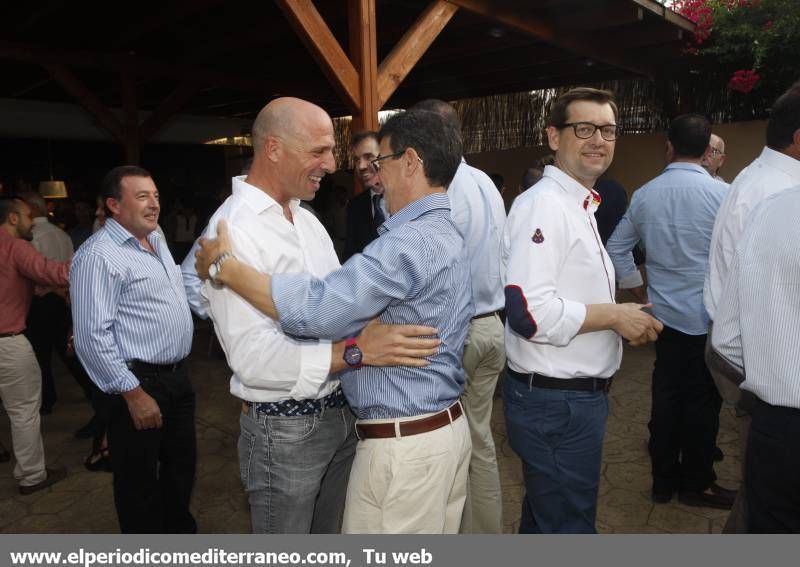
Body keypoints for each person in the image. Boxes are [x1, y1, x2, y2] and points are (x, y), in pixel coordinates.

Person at [196, 108, 473, 534]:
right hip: (291, 429)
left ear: (412, 162)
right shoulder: (233, 228)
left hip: (390, 440)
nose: (335, 165)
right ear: (273, 148)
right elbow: (254, 357)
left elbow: (324, 309)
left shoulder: (373, 234)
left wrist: (229, 270)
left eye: (379, 162)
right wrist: (357, 352)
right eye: (320, 150)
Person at [502, 87, 662, 534]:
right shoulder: (545, 206)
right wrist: (614, 316)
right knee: (569, 530)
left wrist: (627, 315)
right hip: (556, 404)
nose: (599, 140)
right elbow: (528, 313)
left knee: (545, 521)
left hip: (567, 400)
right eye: (584, 129)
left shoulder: (580, 203)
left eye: (608, 130)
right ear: (554, 137)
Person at [606, 114, 733, 509]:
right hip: (708, 319)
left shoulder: (645, 194)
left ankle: (663, 483)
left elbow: (616, 249)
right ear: (708, 152)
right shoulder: (723, 196)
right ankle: (697, 484)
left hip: (662, 319)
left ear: (669, 145)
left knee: (665, 396)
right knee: (703, 402)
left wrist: (638, 291)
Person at [71, 166, 197, 533]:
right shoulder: (99, 256)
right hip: (138, 383)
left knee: (180, 471)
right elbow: (93, 336)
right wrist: (133, 393)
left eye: (155, 195)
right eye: (142, 196)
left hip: (177, 378)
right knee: (138, 485)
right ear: (113, 205)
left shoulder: (155, 237)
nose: (154, 204)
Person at [704, 82, 800, 532]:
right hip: (760, 390)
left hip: (771, 406)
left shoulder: (762, 188)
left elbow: (727, 335)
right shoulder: (774, 190)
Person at [411, 98, 507, 534]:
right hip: (492, 326)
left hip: (459, 333)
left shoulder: (441, 188)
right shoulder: (484, 180)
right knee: (480, 441)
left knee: (448, 446)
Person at [0, 196, 68, 494]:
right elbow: (55, 272)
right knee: (24, 411)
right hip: (8, 342)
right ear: (13, 218)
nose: (32, 222)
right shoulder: (15, 246)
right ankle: (32, 476)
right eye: (28, 216)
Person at [18, 191, 80, 415]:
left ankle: (47, 400)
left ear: (32, 210)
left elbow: (33, 273)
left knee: (41, 354)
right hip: (60, 298)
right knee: (66, 350)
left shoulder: (30, 238)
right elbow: (72, 265)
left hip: (42, 300)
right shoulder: (61, 234)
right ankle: (91, 390)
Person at [343, 130, 386, 261]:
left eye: (368, 157)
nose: (361, 166)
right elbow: (350, 257)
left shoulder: (408, 199)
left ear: (384, 156)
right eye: (357, 160)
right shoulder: (354, 206)